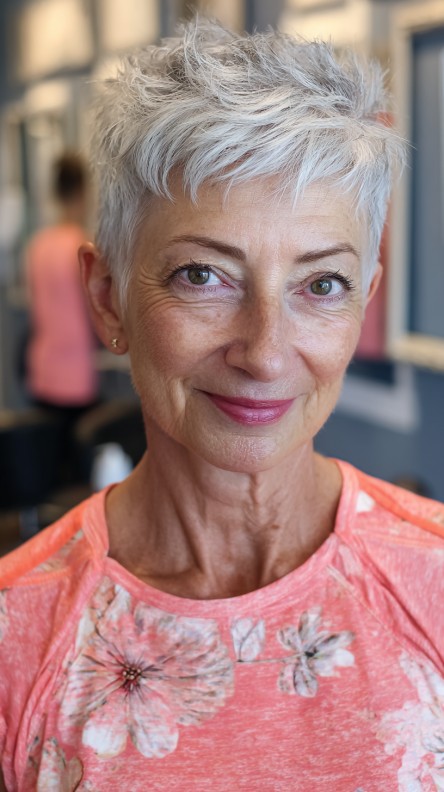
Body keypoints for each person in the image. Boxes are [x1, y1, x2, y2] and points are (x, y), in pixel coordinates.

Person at [0, 19, 443, 791]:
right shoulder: (18, 634)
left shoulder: (432, 584)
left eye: (321, 284)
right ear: (108, 298)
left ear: (364, 298)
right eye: (203, 276)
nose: (265, 352)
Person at [25, 152, 99, 480]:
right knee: (77, 471)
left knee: (51, 465)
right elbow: (95, 309)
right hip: (75, 373)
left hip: (42, 368)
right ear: (83, 193)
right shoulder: (80, 246)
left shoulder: (38, 245)